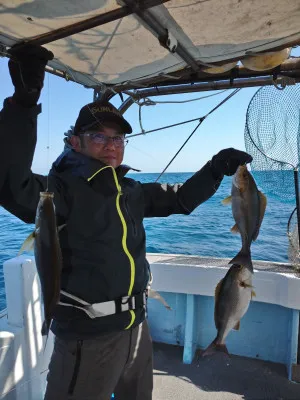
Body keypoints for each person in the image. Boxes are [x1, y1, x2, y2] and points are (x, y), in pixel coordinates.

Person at [0, 45, 252, 400]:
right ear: (75, 141)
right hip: (87, 337)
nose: (111, 145)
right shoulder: (60, 190)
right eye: (99, 136)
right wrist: (23, 106)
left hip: (136, 326)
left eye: (117, 137)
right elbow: (12, 186)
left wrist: (214, 168)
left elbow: (180, 199)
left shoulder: (130, 190)